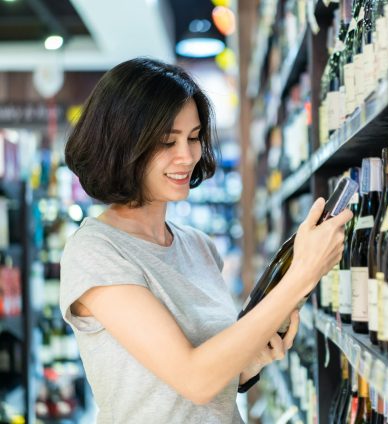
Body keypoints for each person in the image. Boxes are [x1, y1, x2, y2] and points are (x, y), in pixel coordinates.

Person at [59, 57, 352, 423]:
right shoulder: (95, 252)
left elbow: (208, 384)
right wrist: (302, 274)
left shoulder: (198, 246)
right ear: (122, 145)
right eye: (168, 141)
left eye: (194, 137)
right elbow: (194, 379)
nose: (187, 156)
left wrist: (249, 362)